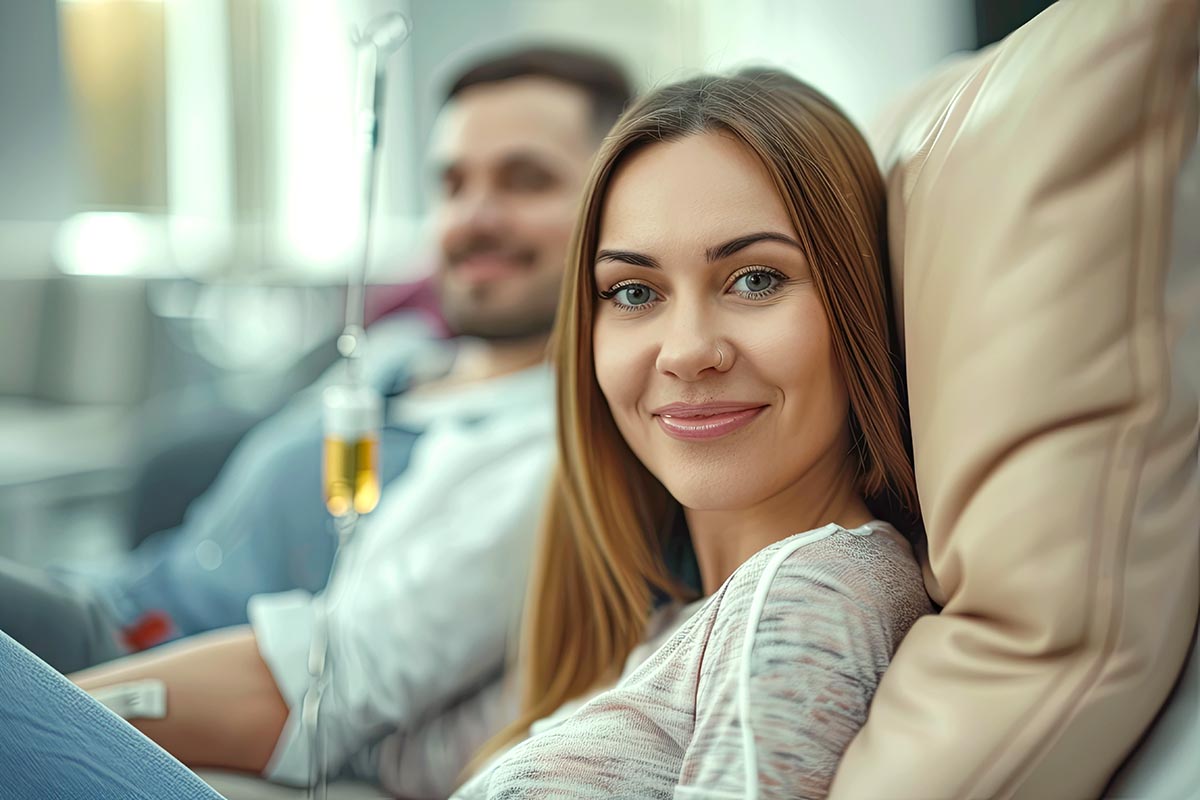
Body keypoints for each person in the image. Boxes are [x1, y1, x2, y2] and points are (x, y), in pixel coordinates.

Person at [0, 68, 930, 800]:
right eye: (634, 292)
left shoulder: (809, 588)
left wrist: (46, 723)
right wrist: (65, 723)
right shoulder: (649, 609)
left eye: (756, 279)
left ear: (852, 299)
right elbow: (393, 736)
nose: (686, 351)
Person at [6, 46, 634, 797]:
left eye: (526, 180)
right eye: (452, 182)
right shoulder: (392, 358)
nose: (475, 217)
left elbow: (329, 683)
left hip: (126, 657)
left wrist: (45, 709)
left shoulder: (549, 451)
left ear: (615, 208)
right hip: (106, 592)